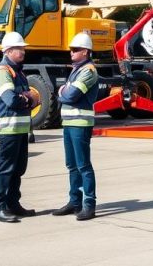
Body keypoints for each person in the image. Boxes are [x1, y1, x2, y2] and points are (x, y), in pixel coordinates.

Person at [0, 31, 39, 223]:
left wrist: (26, 98)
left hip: (19, 130)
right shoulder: (3, 72)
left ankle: (13, 204)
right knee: (6, 169)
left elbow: (24, 98)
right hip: (8, 130)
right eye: (20, 48)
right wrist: (29, 98)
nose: (23, 51)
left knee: (18, 168)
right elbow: (11, 100)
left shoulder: (18, 72)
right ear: (8, 51)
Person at [51, 32, 99, 221]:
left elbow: (70, 95)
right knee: (71, 165)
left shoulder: (88, 71)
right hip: (69, 123)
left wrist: (62, 92)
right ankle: (74, 202)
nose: (71, 52)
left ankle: (89, 204)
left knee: (83, 165)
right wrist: (64, 92)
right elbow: (66, 93)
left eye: (76, 49)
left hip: (80, 124)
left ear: (86, 51)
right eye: (71, 49)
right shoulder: (76, 69)